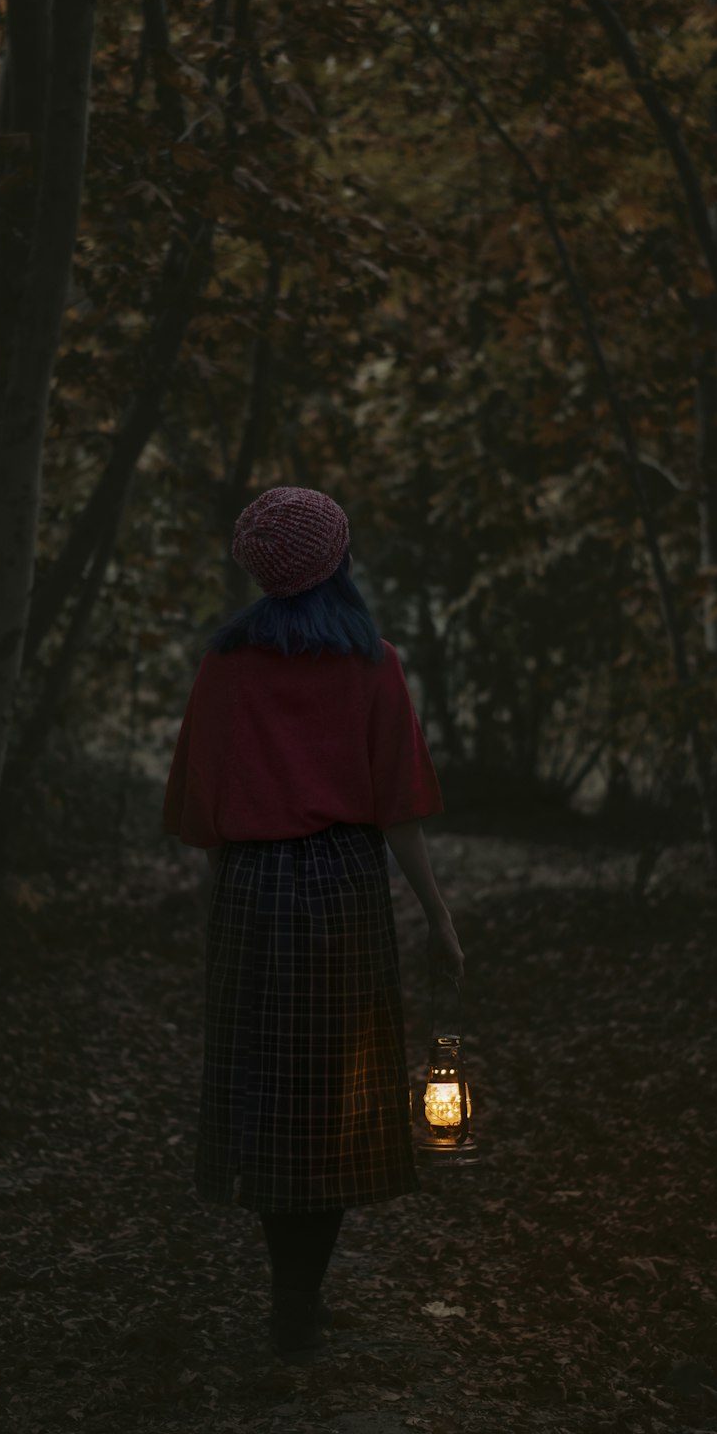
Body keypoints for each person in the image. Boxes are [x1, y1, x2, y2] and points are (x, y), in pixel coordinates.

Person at [161, 485, 464, 1359]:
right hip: (341, 889)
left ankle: (287, 1300)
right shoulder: (373, 661)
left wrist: (220, 905)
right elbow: (399, 807)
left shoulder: (226, 664)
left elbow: (203, 813)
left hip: (253, 890)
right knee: (338, 1097)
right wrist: (437, 914)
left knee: (266, 1093)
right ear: (338, 562)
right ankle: (302, 1299)